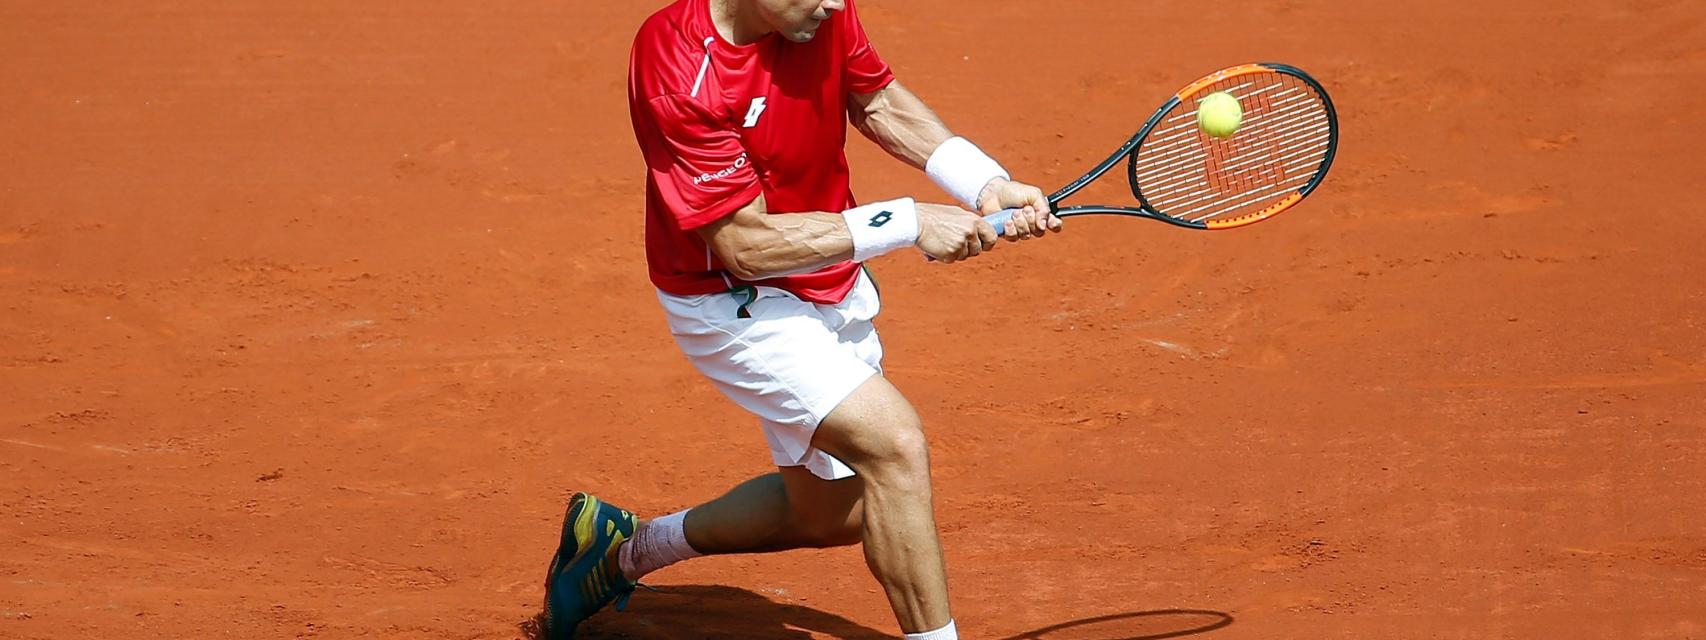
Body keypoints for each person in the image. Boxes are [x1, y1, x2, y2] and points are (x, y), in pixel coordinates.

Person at [541, 0, 1062, 638]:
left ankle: (622, 552)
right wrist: (907, 221)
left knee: (832, 516)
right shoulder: (676, 62)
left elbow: (877, 99)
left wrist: (981, 183)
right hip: (732, 298)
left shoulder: (818, 13)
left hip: (829, 277)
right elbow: (744, 245)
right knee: (894, 446)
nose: (836, 3)